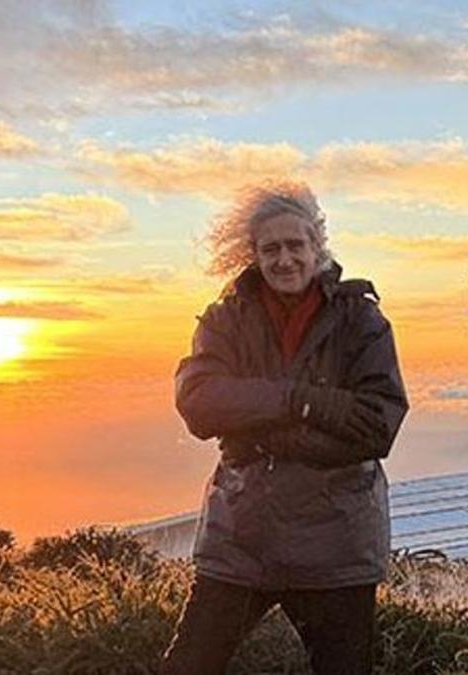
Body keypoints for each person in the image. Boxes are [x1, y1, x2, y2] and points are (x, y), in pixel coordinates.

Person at [162, 181, 408, 674]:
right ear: (253, 255)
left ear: (318, 246)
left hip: (335, 547)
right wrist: (299, 400)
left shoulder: (360, 320)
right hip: (241, 541)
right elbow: (199, 404)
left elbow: (377, 424)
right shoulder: (224, 320)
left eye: (296, 245)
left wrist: (258, 430)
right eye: (270, 248)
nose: (284, 259)